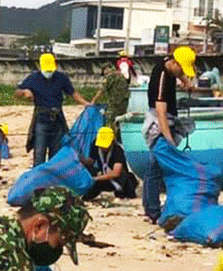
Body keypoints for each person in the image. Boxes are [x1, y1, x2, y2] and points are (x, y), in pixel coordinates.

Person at [142, 45, 196, 223]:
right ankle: (152, 210)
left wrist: (185, 81)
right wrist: (168, 139)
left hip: (168, 116)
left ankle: (155, 207)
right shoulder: (161, 78)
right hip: (158, 122)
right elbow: (161, 113)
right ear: (174, 63)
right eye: (180, 68)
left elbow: (179, 72)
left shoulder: (170, 65)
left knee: (156, 166)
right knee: (155, 167)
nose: (181, 71)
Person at [15, 53, 91, 167]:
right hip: (41, 120)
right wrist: (25, 91)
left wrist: (86, 103)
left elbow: (72, 93)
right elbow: (17, 92)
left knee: (55, 154)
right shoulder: (33, 78)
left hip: (57, 120)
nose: (49, 73)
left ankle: (53, 180)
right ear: (40, 67)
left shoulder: (61, 78)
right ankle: (39, 181)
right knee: (39, 154)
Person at [81, 126, 137, 201]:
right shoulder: (95, 145)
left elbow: (116, 173)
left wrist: (96, 179)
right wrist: (82, 160)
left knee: (126, 183)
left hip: (117, 178)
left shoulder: (117, 150)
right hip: (102, 174)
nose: (103, 148)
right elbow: (91, 161)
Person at [91, 65, 130, 136]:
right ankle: (119, 138)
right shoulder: (121, 75)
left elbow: (102, 90)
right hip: (124, 103)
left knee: (110, 122)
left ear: (106, 70)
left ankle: (109, 141)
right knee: (120, 122)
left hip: (114, 103)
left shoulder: (110, 77)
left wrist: (93, 101)